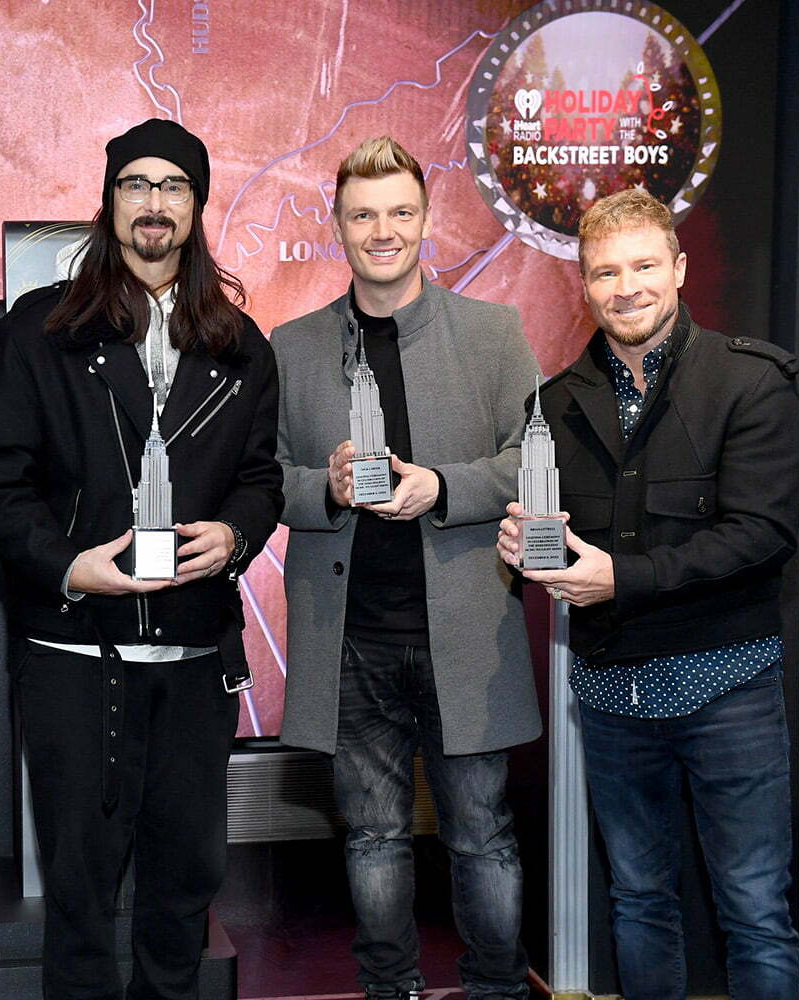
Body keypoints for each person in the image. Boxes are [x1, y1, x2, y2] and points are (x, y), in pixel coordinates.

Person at [0, 118, 283, 1000]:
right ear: (107, 202)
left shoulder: (242, 348)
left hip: (192, 662)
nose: (154, 203)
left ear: (197, 206)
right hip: (74, 658)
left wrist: (237, 535)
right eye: (135, 184)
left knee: (183, 897)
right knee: (77, 900)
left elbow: (262, 481)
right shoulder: (39, 334)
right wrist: (70, 567)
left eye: (173, 186)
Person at [497, 188, 799, 999]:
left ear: (678, 268)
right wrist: (525, 550)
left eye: (642, 266)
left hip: (728, 689)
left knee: (754, 912)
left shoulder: (751, 382)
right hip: (612, 696)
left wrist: (619, 579)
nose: (624, 287)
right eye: (605, 272)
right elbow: (559, 536)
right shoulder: (555, 406)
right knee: (639, 904)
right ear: (584, 285)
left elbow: (763, 534)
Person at [273, 136, 539, 1000]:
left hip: (468, 636)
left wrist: (442, 485)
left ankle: (497, 991)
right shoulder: (292, 345)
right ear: (338, 226)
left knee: (483, 837)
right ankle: (390, 990)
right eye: (362, 215)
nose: (381, 230)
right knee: (373, 839)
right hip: (349, 643)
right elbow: (262, 481)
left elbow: (535, 460)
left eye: (398, 212)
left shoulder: (494, 334)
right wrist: (328, 486)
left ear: (425, 220)